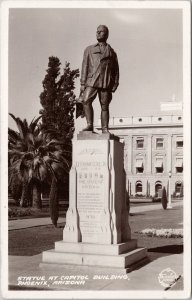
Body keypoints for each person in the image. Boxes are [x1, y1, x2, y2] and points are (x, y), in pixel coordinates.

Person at [80, 25, 119, 133]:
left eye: (101, 31)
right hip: (92, 80)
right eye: (97, 31)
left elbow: (116, 69)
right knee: (86, 100)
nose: (98, 33)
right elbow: (85, 66)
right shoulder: (89, 49)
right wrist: (82, 83)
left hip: (105, 81)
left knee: (104, 106)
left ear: (106, 34)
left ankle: (105, 128)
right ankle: (89, 125)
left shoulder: (111, 52)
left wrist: (115, 83)